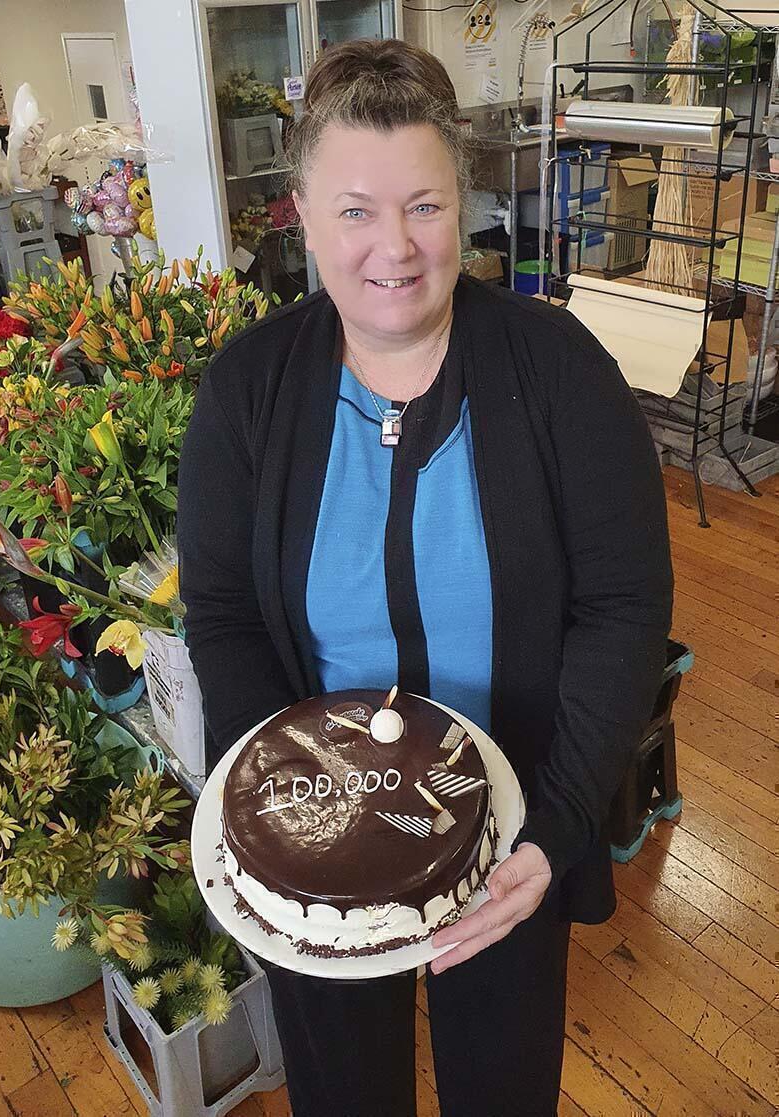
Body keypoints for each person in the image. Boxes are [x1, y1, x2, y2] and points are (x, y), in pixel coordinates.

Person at [176, 39, 673, 1117]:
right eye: (354, 210)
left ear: (464, 205)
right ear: (298, 214)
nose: (394, 248)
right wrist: (289, 815)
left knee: (501, 1082)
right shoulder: (248, 390)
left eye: (426, 206)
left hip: (508, 832)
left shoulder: (561, 372)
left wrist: (556, 826)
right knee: (343, 1088)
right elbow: (219, 611)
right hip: (318, 846)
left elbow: (623, 606)